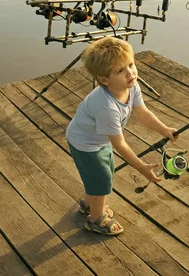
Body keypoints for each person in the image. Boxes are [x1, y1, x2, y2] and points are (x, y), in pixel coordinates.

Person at [66, 36, 177, 236]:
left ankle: (87, 203)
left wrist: (164, 130)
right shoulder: (106, 107)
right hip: (85, 144)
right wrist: (142, 167)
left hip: (99, 139)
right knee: (101, 180)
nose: (130, 73)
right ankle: (95, 219)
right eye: (120, 70)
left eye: (131, 65)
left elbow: (143, 113)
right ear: (104, 80)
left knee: (105, 171)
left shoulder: (132, 86)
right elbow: (120, 145)